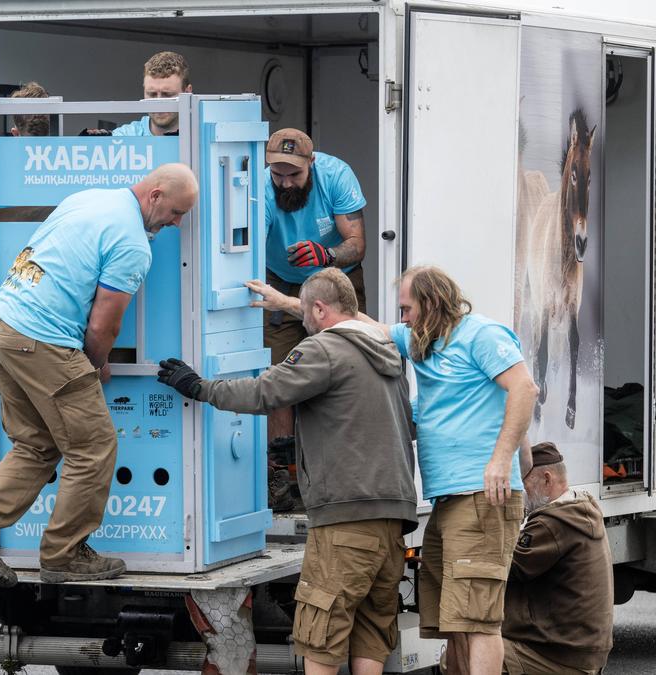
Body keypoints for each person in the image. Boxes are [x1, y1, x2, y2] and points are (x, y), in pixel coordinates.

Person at [250, 265, 538, 675]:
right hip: (450, 500)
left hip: (482, 493)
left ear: (431, 302)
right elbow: (354, 323)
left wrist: (500, 460)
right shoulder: (422, 340)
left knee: (478, 621)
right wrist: (288, 303)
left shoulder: (482, 335)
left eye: (406, 308)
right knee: (453, 622)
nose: (401, 318)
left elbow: (525, 388)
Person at [0, 163, 199, 586]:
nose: (177, 223)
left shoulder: (89, 198)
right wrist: (95, 363)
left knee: (38, 443)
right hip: (42, 340)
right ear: (154, 195)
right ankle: (64, 555)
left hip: (1, 327)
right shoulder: (133, 243)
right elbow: (103, 327)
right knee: (93, 446)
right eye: (175, 212)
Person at [156, 268, 417, 675]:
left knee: (321, 631)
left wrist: (198, 387)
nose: (304, 326)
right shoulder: (389, 354)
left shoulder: (325, 349)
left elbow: (265, 391)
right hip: (393, 516)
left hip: (346, 518)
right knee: (372, 629)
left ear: (319, 309)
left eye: (305, 317)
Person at [261, 128, 368, 486]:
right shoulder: (259, 187)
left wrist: (328, 254)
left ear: (312, 163)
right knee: (280, 375)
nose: (287, 183)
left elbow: (356, 243)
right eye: (279, 175)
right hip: (282, 280)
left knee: (348, 368)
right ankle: (284, 474)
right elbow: (248, 240)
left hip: (338, 278)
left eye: (295, 174)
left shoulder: (336, 175)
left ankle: (346, 470)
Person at [502, 442, 612, 675]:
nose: (519, 490)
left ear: (547, 479)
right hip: (584, 653)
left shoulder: (553, 522)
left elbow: (506, 566)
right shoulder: (580, 508)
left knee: (466, 655)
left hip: (558, 656)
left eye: (523, 482)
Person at [111, 51, 191, 137]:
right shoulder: (125, 136)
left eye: (167, 94)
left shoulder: (203, 135)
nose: (158, 104)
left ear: (187, 92)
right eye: (152, 94)